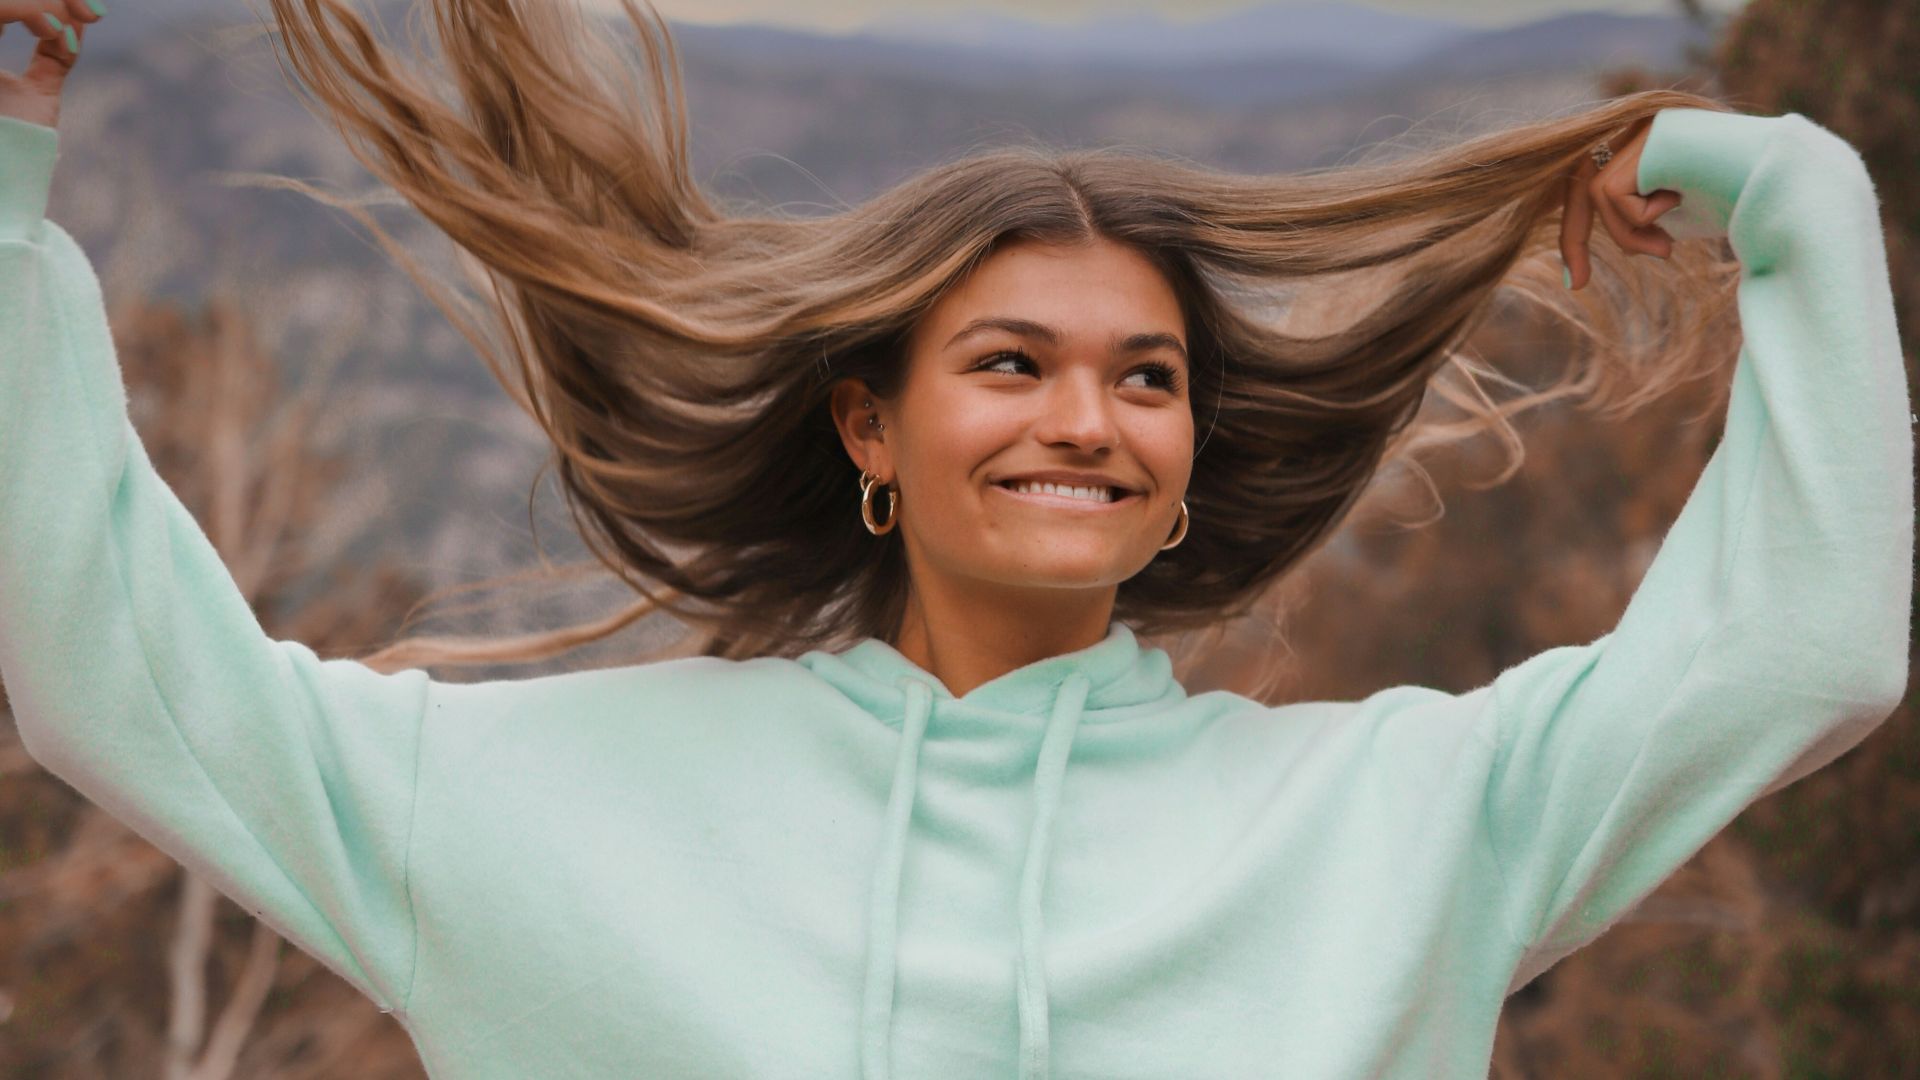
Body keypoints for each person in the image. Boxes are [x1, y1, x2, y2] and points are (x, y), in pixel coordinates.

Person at [1, 1, 1909, 1077]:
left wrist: (1795, 187)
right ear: (869, 427)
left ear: (1185, 456)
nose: (1088, 419)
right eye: (1012, 363)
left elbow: (1804, 648)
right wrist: (9, 191)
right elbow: (123, 682)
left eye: (1147, 381)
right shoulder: (536, 799)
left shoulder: (1410, 819)